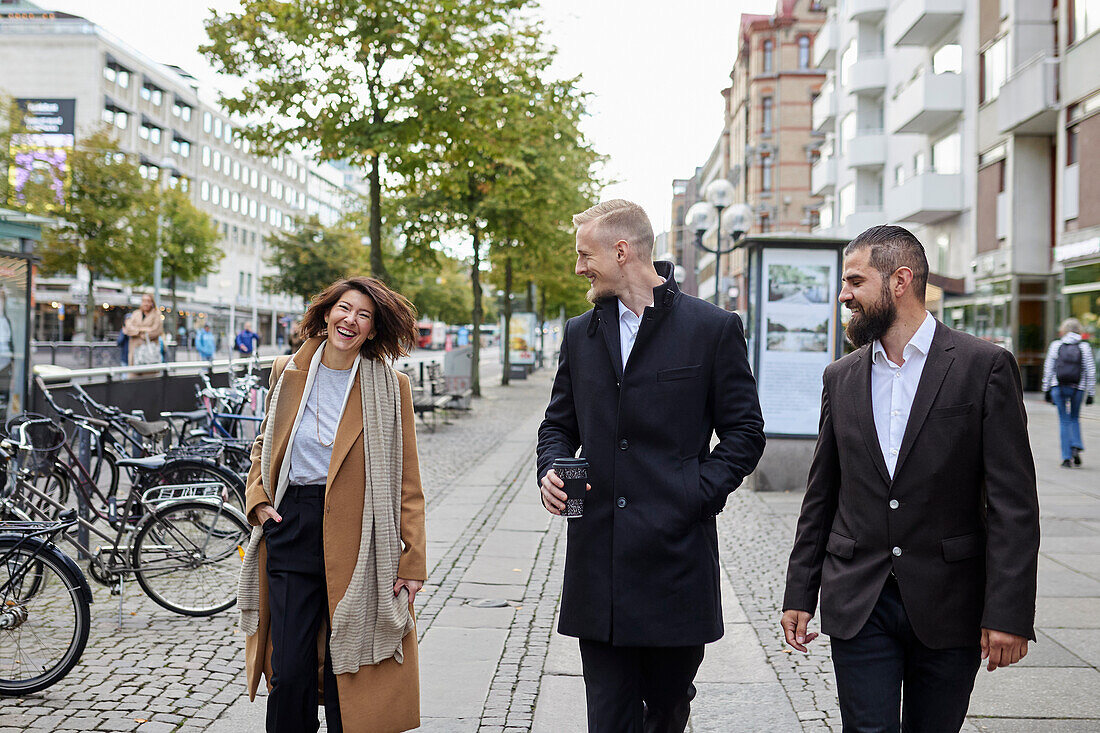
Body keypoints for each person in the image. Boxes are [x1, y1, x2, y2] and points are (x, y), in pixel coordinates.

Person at [781, 226, 1040, 733]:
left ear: (900, 280)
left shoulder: (983, 366)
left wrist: (1009, 612)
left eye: (855, 281)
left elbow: (1013, 503)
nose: (843, 294)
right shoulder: (841, 376)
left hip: (950, 601)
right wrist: (799, 592)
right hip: (860, 597)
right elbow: (822, 494)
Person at [537, 200, 765, 732]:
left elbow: (744, 433)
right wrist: (552, 467)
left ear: (621, 252)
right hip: (599, 563)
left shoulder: (712, 328)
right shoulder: (580, 333)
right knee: (609, 718)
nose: (579, 268)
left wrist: (693, 492)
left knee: (666, 713)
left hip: (675, 565)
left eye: (584, 255)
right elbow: (557, 426)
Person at [237, 276, 426, 733]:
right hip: (293, 522)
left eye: (364, 315)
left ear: (373, 330)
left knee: (348, 665)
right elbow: (266, 444)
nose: (351, 320)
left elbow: (407, 476)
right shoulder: (287, 371)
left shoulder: (390, 386)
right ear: (326, 314)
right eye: (344, 309)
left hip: (360, 535)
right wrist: (259, 499)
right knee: (290, 670)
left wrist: (413, 560)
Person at [1042, 317, 1096, 468]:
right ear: (1079, 330)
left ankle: (1066, 457)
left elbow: (1049, 368)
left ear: (1063, 330)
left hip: (1058, 387)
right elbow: (1090, 371)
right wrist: (1091, 393)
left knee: (1063, 420)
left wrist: (1046, 388)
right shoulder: (1084, 347)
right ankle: (1076, 445)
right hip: (1077, 388)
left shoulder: (1056, 345)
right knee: (1074, 418)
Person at [122, 294, 163, 366]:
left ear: (152, 303)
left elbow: (156, 331)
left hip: (150, 356)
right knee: (132, 374)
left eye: (148, 301)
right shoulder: (135, 313)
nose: (146, 303)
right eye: (144, 301)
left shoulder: (157, 314)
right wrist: (143, 330)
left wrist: (137, 331)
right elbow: (128, 329)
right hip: (134, 355)